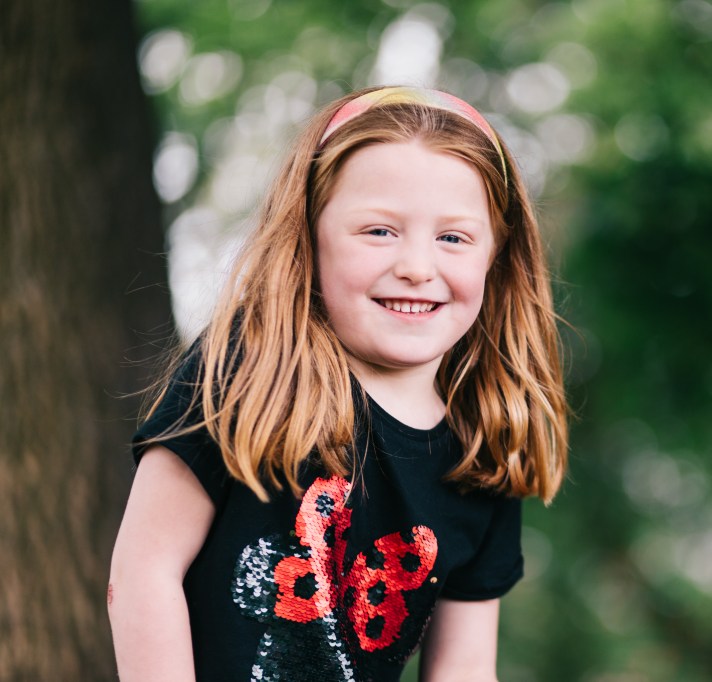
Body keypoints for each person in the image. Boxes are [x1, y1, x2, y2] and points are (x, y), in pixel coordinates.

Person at [107, 86, 569, 682]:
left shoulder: (485, 446)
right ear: (310, 234)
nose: (417, 266)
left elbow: (465, 666)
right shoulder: (250, 369)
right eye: (379, 231)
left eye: (453, 238)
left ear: (497, 258)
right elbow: (146, 569)